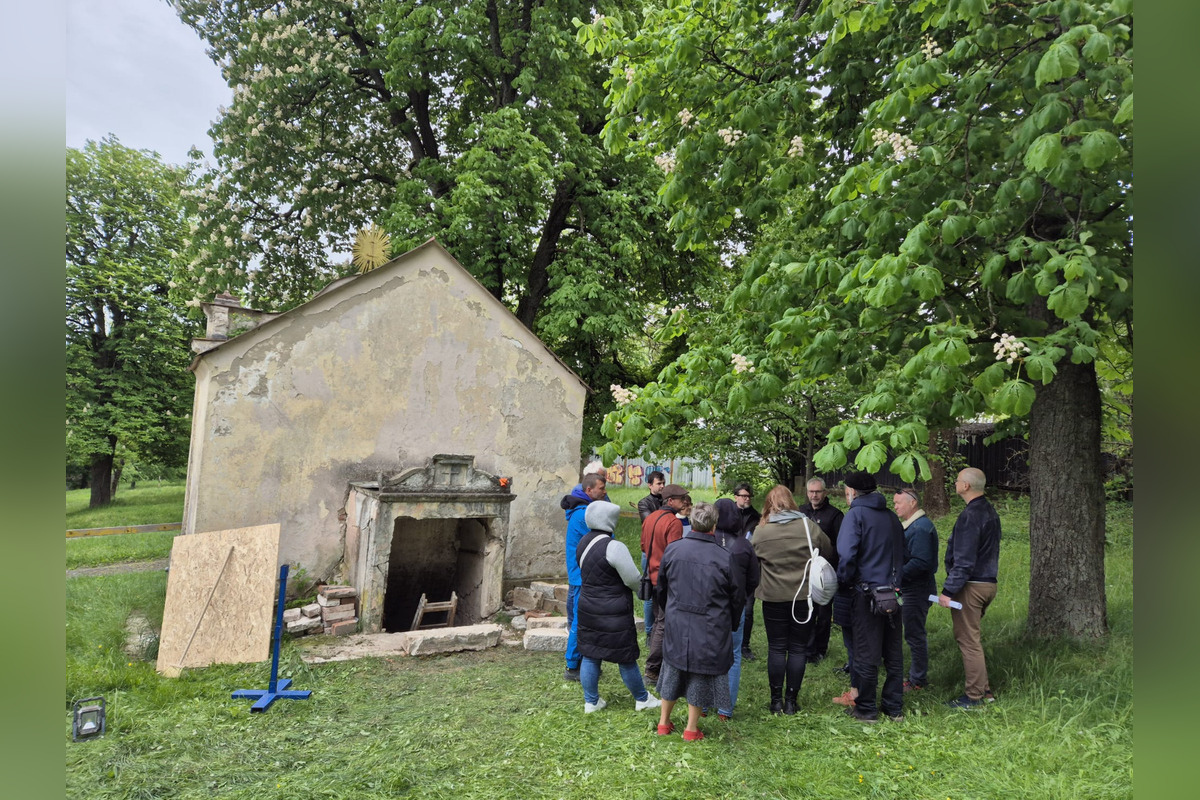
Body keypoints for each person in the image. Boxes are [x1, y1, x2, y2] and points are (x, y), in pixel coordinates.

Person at [654, 502, 744, 741]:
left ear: (692, 522)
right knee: (699, 674)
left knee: (673, 669)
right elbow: (737, 598)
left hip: (678, 621)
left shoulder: (673, 550)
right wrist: (731, 623)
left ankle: (664, 723)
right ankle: (691, 729)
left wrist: (670, 612)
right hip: (710, 625)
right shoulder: (725, 557)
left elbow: (661, 589)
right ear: (714, 525)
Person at [574, 500, 663, 714]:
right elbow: (632, 578)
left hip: (587, 606)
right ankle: (642, 699)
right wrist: (643, 592)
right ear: (611, 521)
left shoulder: (582, 543)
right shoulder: (614, 547)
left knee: (590, 653)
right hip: (613, 611)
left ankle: (591, 701)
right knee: (625, 656)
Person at [752, 485, 833, 715]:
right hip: (804, 598)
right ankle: (791, 702)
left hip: (773, 597)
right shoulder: (808, 526)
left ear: (768, 504)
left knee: (777, 648)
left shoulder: (761, 531)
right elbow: (828, 550)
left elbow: (750, 559)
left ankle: (775, 701)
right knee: (798, 649)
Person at [837, 471, 905, 724]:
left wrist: (845, 580)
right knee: (893, 652)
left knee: (866, 653)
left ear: (853, 492)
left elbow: (846, 555)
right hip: (894, 594)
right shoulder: (891, 517)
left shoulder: (855, 515)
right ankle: (893, 707)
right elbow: (903, 554)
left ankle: (866, 709)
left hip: (866, 594)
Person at [939, 467, 1001, 709]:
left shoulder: (970, 516)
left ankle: (974, 696)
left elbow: (964, 561)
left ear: (966, 486)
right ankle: (984, 691)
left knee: (968, 641)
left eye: (957, 481)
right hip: (988, 583)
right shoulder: (989, 511)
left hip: (971, 586)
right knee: (972, 638)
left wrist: (948, 591)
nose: (955, 483)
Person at [714, 498, 761, 720]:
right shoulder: (744, 544)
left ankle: (703, 706)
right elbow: (754, 578)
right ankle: (725, 709)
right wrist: (741, 594)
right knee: (733, 655)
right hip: (735, 605)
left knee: (708, 653)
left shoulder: (707, 540)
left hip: (710, 606)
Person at [559, 472, 608, 681]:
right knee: (580, 621)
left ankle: (583, 661)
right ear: (589, 490)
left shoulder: (584, 511)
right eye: (602, 489)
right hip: (583, 576)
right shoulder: (584, 515)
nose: (605, 492)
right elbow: (604, 536)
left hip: (582, 575)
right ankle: (572, 666)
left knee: (582, 620)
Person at [640, 484, 688, 684]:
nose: (685, 502)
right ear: (670, 501)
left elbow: (643, 546)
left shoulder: (650, 518)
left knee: (660, 621)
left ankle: (661, 666)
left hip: (651, 577)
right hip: (665, 580)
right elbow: (674, 555)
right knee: (663, 623)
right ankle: (652, 670)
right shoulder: (673, 523)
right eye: (681, 498)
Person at [893, 486, 938, 693]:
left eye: (898, 502)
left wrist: (897, 576)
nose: (895, 506)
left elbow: (921, 562)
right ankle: (913, 676)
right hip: (909, 589)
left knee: (914, 634)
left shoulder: (920, 528)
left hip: (917, 591)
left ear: (913, 503)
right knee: (910, 633)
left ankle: (917, 680)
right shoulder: (912, 526)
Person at [798, 477, 844, 665]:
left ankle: (820, 649)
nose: (814, 495)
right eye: (811, 492)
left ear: (824, 493)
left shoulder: (835, 515)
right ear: (807, 493)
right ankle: (807, 649)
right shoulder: (800, 512)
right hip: (804, 572)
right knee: (806, 612)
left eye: (818, 492)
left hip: (826, 572)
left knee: (824, 614)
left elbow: (840, 546)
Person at [733, 483, 762, 661]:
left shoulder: (757, 517)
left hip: (750, 566)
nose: (747, 498)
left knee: (748, 609)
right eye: (743, 495)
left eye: (749, 495)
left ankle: (745, 645)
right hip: (730, 565)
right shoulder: (728, 515)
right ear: (736, 496)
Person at [636, 470, 666, 639]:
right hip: (649, 552)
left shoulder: (667, 500)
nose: (662, 486)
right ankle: (649, 632)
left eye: (663, 483)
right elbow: (652, 522)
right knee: (649, 593)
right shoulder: (644, 503)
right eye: (658, 484)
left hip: (664, 551)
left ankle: (661, 628)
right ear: (650, 485)